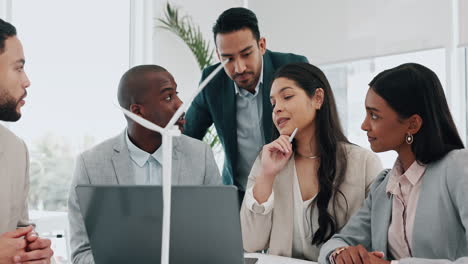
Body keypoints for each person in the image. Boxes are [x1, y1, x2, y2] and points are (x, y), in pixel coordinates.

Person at [68, 65, 222, 264]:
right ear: (138, 112)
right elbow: (81, 254)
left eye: (177, 94)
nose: (181, 105)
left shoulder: (200, 156)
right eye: (168, 97)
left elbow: (217, 240)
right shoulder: (90, 165)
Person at [319, 63, 468, 264]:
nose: (364, 125)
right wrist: (341, 254)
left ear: (412, 124)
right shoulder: (384, 186)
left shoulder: (458, 168)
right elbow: (338, 242)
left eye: (374, 115)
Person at [240, 63, 382, 261]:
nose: (277, 108)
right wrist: (267, 175)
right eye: (273, 103)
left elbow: (377, 242)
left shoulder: (365, 164)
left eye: (287, 97)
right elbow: (250, 243)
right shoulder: (267, 162)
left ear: (317, 98)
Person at [184, 7, 308, 200]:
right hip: (240, 195)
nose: (239, 68)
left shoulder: (293, 68)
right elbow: (187, 139)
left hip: (291, 191)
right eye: (228, 59)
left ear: (261, 45)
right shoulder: (212, 82)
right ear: (218, 55)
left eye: (246, 54)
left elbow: (319, 128)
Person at [0, 18, 54, 264]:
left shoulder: (15, 149)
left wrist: (34, 254)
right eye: (18, 68)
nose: (27, 81)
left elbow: (20, 229)